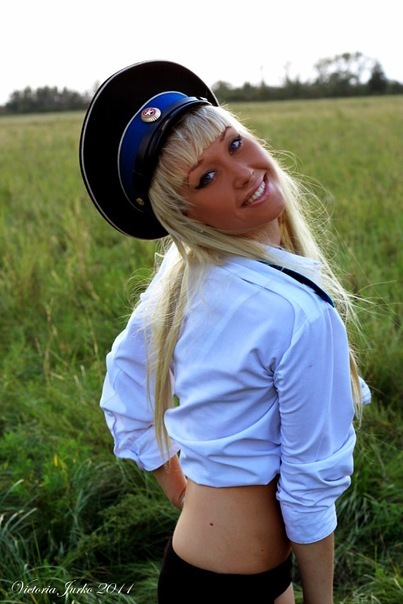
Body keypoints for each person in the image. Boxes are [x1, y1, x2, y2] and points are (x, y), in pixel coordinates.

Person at [79, 60, 370, 604]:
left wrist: (185, 495)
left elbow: (125, 392)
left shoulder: (181, 275)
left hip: (193, 567)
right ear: (185, 214)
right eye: (205, 178)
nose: (241, 172)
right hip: (240, 585)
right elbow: (309, 491)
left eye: (234, 144)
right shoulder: (298, 313)